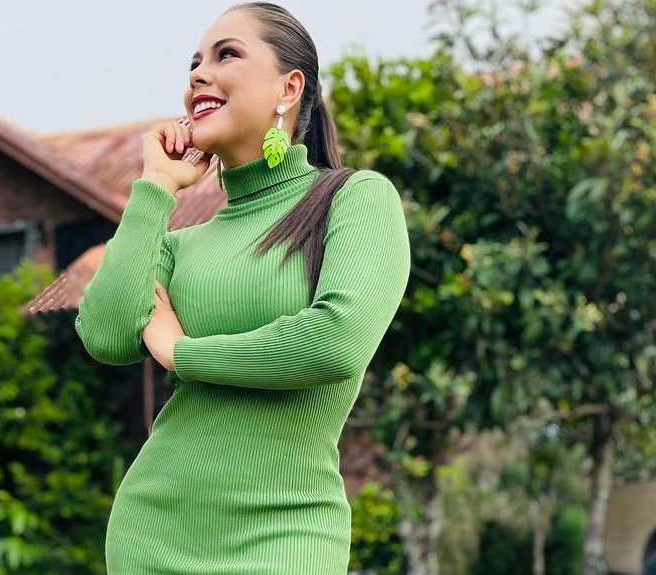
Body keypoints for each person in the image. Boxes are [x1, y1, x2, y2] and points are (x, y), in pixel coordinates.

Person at [75, 2, 411, 573]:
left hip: (285, 538)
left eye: (226, 55)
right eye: (193, 64)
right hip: (151, 535)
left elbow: (336, 342)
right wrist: (156, 186)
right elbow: (105, 335)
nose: (198, 75)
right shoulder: (179, 244)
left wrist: (181, 353)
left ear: (289, 87)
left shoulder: (353, 199)